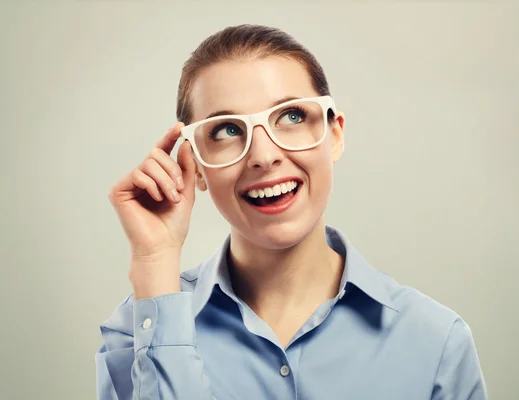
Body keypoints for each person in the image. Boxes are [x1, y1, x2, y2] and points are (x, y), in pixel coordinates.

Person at [95, 24, 488, 400]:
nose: (264, 157)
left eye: (292, 117)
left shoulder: (437, 342)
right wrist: (157, 258)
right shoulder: (140, 329)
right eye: (227, 130)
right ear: (193, 164)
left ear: (334, 135)